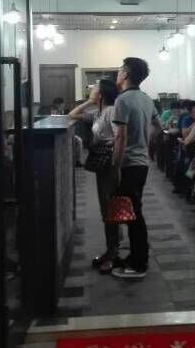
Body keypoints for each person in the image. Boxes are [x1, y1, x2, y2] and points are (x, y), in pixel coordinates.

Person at [111, 57, 160, 279]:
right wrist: (144, 143)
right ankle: (135, 256)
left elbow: (120, 137)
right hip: (142, 163)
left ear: (126, 75)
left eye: (120, 70)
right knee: (133, 211)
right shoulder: (146, 98)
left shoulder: (122, 100)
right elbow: (158, 127)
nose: (118, 73)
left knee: (133, 215)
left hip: (129, 163)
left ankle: (140, 263)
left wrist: (116, 165)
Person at [68, 80, 120, 274]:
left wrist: (115, 163)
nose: (91, 89)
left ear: (102, 93)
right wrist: (90, 101)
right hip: (102, 164)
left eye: (95, 88)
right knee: (106, 208)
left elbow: (119, 136)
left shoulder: (111, 111)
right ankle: (111, 250)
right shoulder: (99, 112)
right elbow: (72, 115)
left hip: (110, 165)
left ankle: (113, 254)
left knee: (110, 208)